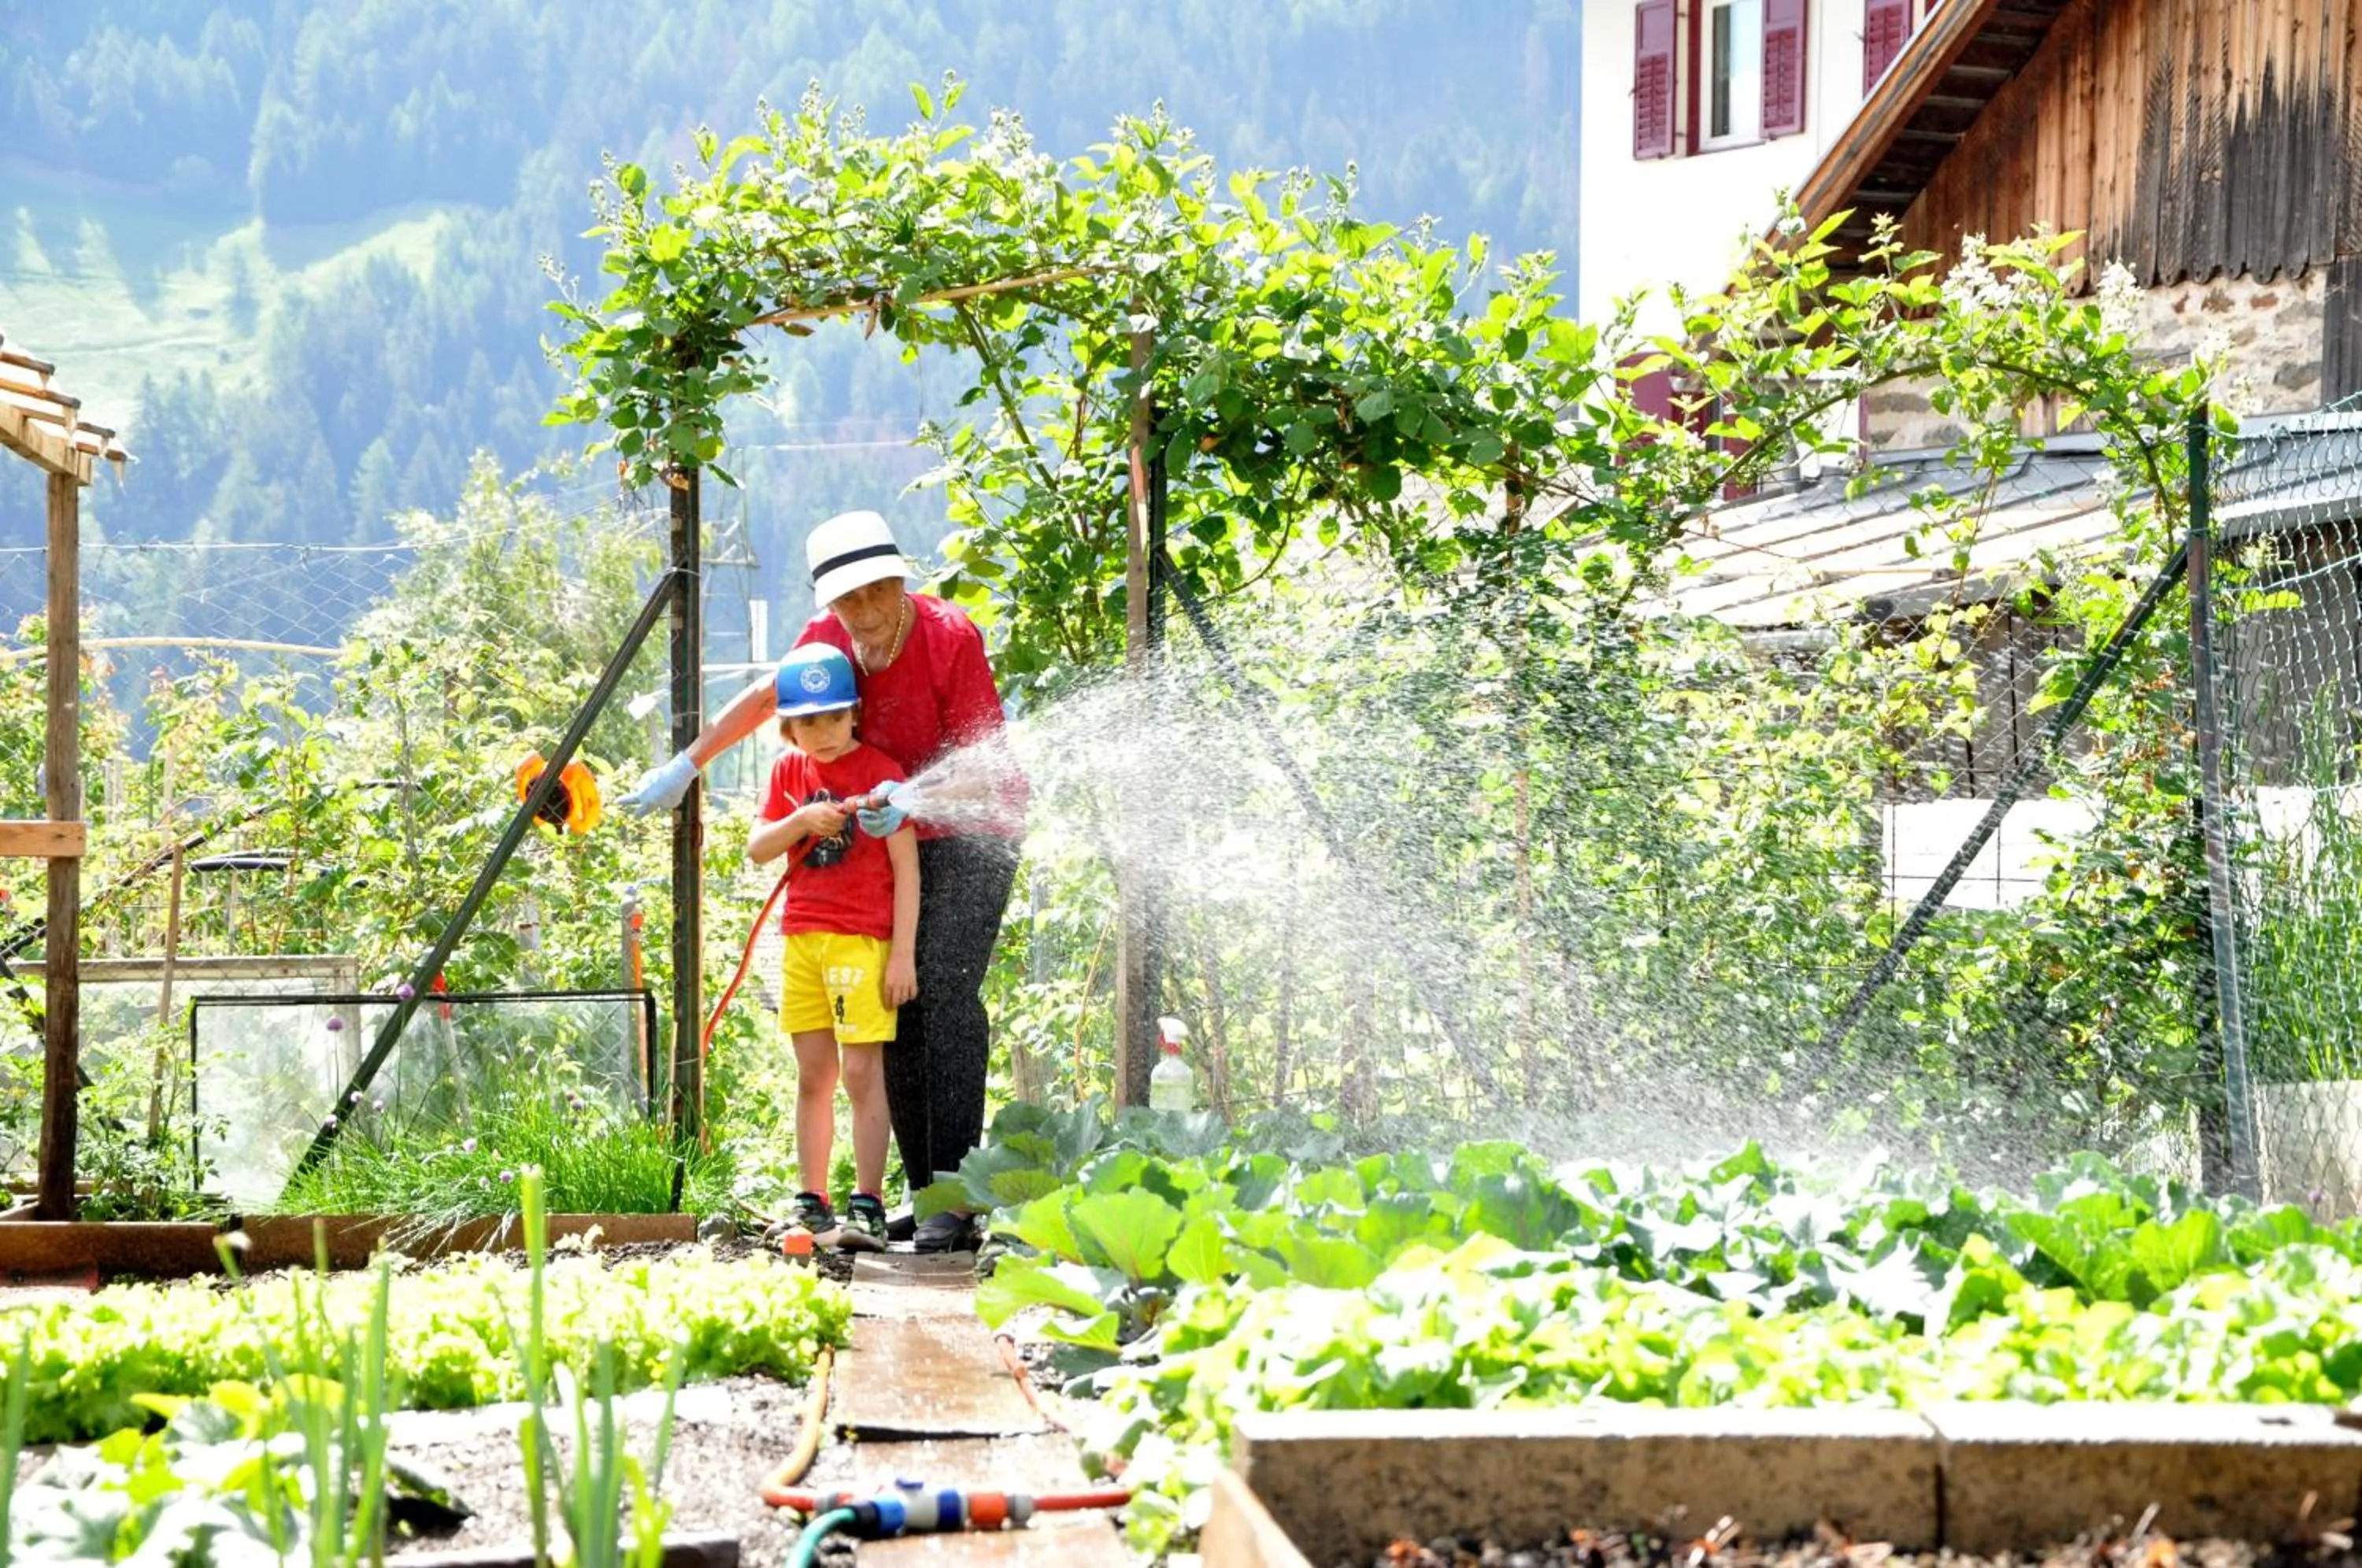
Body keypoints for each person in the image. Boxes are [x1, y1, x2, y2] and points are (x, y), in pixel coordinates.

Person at [621, 509, 1027, 1252]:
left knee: (939, 992)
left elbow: (989, 763)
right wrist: (690, 762)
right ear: (829, 606)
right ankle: (923, 1191)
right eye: (849, 602)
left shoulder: (948, 637)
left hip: (971, 832)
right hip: (885, 842)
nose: (866, 615)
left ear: (901, 580)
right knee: (888, 1007)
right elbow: (772, 696)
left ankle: (960, 1196)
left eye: (878, 594)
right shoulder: (831, 640)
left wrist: (909, 797)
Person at [746, 642, 918, 1252]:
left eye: (832, 716)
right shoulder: (788, 773)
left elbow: (907, 867)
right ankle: (812, 1203)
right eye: (805, 721)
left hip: (861, 943)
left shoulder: (882, 773)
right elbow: (758, 848)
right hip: (801, 942)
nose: (820, 732)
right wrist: (800, 823)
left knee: (863, 1074)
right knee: (813, 1074)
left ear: (854, 715)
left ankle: (867, 1203)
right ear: (788, 726)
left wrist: (901, 955)